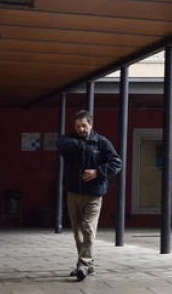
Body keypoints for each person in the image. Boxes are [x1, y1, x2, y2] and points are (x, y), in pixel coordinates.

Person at [58, 110, 123, 281]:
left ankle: (84, 264)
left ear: (91, 125)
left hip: (94, 195)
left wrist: (97, 172)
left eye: (84, 126)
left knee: (88, 229)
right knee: (77, 232)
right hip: (73, 193)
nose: (81, 129)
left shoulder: (102, 143)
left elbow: (117, 162)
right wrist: (85, 146)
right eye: (78, 126)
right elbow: (61, 145)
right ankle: (87, 263)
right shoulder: (69, 141)